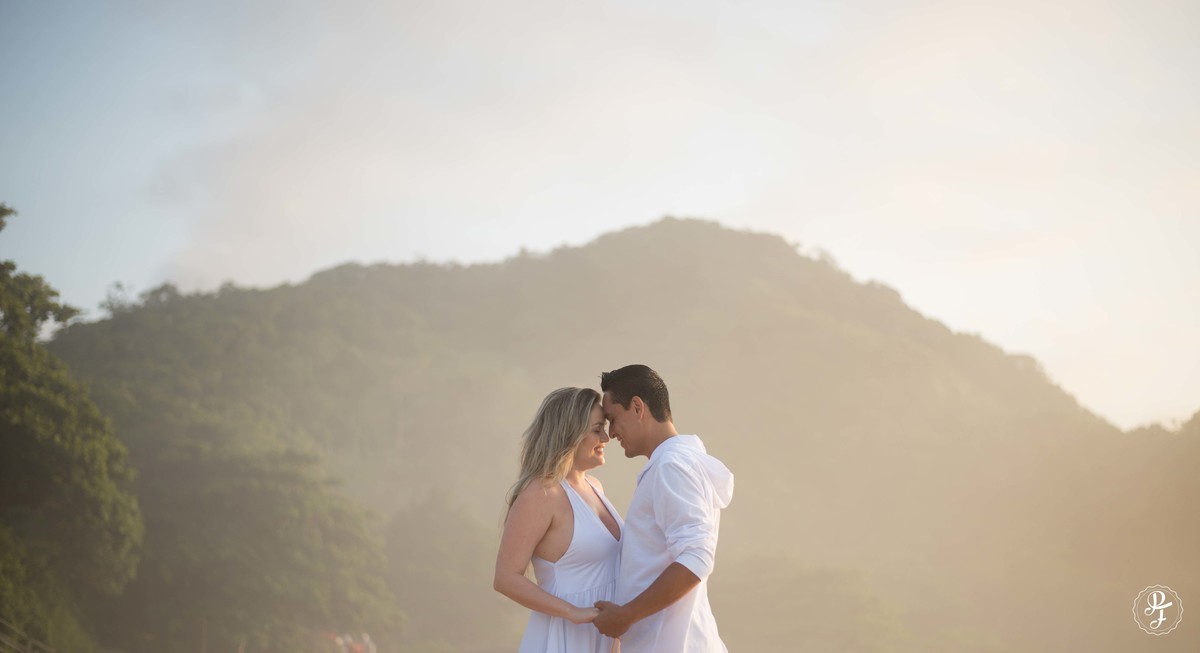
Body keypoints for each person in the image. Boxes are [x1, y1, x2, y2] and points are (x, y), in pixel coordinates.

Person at [592, 365, 734, 652]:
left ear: (637, 407)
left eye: (613, 419)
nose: (611, 433)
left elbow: (697, 556)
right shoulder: (679, 461)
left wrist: (627, 615)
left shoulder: (671, 467)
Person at [494, 387, 624, 653]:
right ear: (569, 433)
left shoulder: (595, 486)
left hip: (603, 636)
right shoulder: (541, 493)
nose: (606, 437)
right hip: (562, 638)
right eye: (597, 429)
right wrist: (573, 612)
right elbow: (505, 578)